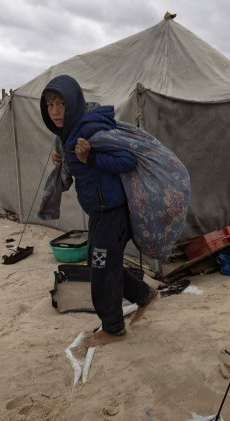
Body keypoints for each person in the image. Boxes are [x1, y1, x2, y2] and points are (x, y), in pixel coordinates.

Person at [40, 75, 159, 347]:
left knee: (103, 268)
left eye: (60, 103)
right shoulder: (68, 132)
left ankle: (113, 328)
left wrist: (89, 157)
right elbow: (74, 171)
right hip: (99, 211)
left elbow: (127, 160)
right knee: (100, 265)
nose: (55, 111)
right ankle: (144, 296)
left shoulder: (90, 130)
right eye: (49, 105)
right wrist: (65, 159)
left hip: (113, 211)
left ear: (73, 102)